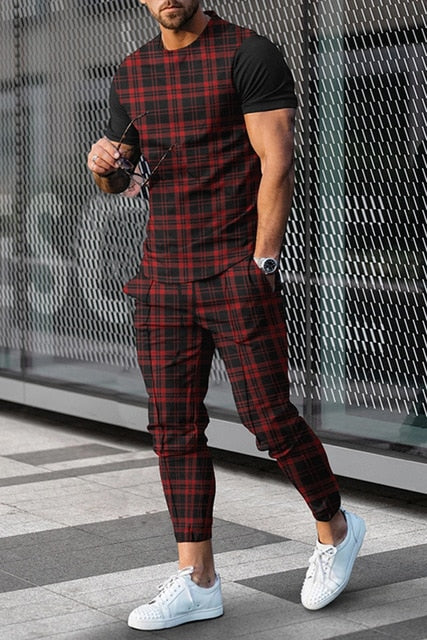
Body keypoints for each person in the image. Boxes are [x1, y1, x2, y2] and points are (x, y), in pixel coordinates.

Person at [87, 0, 366, 631]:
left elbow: (278, 161)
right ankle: (198, 582)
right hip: (162, 277)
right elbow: (123, 180)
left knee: (268, 417)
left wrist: (262, 262)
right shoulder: (133, 71)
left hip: (235, 270)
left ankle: (336, 527)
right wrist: (104, 166)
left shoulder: (248, 53)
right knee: (174, 429)